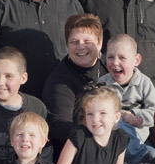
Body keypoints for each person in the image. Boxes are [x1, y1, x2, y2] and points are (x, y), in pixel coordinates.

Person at [43, 13, 109, 149]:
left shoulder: (110, 67)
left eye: (87, 41)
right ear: (67, 44)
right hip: (78, 148)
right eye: (74, 42)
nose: (81, 47)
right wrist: (95, 141)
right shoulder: (59, 82)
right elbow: (60, 125)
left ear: (99, 42)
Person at [95, 33, 155, 164]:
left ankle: (137, 158)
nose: (115, 63)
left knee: (126, 128)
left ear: (136, 60)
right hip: (110, 136)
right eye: (110, 57)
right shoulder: (102, 84)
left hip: (139, 137)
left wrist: (137, 116)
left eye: (122, 58)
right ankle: (135, 159)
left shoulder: (144, 83)